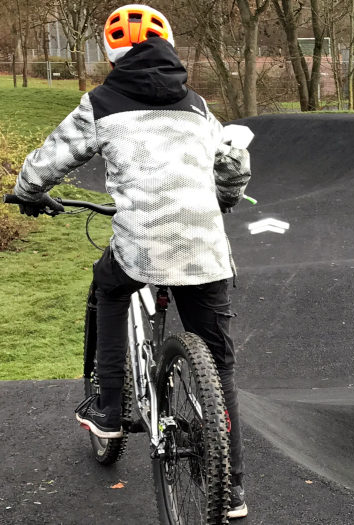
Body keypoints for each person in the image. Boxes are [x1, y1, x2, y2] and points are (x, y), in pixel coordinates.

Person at [12, 4, 252, 519]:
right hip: (206, 247)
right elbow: (231, 166)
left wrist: (28, 191)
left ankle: (110, 410)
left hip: (142, 243)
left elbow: (54, 156)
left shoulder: (102, 101)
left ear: (112, 53)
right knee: (221, 366)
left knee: (108, 284)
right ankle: (231, 492)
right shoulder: (197, 105)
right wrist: (225, 198)